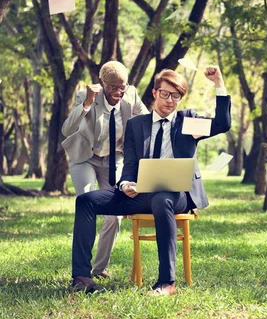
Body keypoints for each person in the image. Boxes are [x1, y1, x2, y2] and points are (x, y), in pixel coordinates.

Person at [70, 67, 231, 296]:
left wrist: (219, 83)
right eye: (165, 94)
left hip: (177, 195)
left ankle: (166, 283)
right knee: (86, 200)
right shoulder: (137, 125)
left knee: (162, 199)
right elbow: (131, 165)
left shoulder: (188, 121)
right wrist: (126, 184)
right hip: (142, 194)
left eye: (176, 96)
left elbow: (223, 124)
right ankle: (82, 278)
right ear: (155, 93)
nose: (170, 100)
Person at [62, 61, 148, 279]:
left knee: (115, 215)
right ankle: (81, 272)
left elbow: (149, 122)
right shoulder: (86, 96)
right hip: (86, 158)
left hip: (114, 158)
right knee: (88, 203)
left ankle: (99, 269)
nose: (119, 92)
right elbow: (67, 129)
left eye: (123, 86)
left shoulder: (131, 95)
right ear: (102, 83)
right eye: (113, 87)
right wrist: (88, 104)